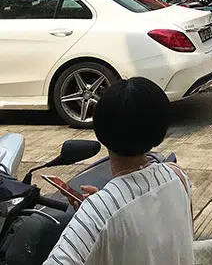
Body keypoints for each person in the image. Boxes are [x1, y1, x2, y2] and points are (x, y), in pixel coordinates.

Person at [44, 78, 193, 265]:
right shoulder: (177, 176)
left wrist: (100, 210)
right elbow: (154, 235)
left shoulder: (97, 213)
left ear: (100, 131)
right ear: (161, 131)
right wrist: (104, 206)